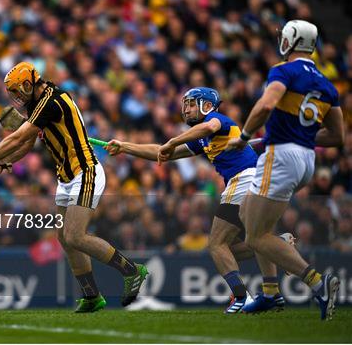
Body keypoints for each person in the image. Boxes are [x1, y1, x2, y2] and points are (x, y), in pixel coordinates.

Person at [0, 62, 148, 313]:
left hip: (85, 172)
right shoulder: (37, 104)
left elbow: (19, 137)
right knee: (64, 238)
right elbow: (27, 143)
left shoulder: (51, 102)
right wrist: (4, 162)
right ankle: (91, 296)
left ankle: (132, 270)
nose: (16, 97)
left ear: (29, 84)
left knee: (75, 235)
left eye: (18, 91)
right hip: (65, 177)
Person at [106, 87, 292, 313]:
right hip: (251, 181)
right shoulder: (201, 139)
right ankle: (278, 247)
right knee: (233, 248)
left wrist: (173, 140)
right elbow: (163, 153)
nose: (186, 109)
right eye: (186, 104)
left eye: (192, 104)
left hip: (243, 180)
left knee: (216, 244)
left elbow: (206, 127)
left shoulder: (215, 120)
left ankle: (241, 296)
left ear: (207, 105)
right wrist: (125, 146)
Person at [226, 20, 344, 319]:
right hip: (306, 159)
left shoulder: (283, 70)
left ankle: (318, 283)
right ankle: (269, 293)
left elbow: (266, 105)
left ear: (289, 41)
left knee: (254, 237)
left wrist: (242, 137)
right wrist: (293, 136)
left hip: (280, 158)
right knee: (245, 215)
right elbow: (337, 137)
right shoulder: (327, 84)